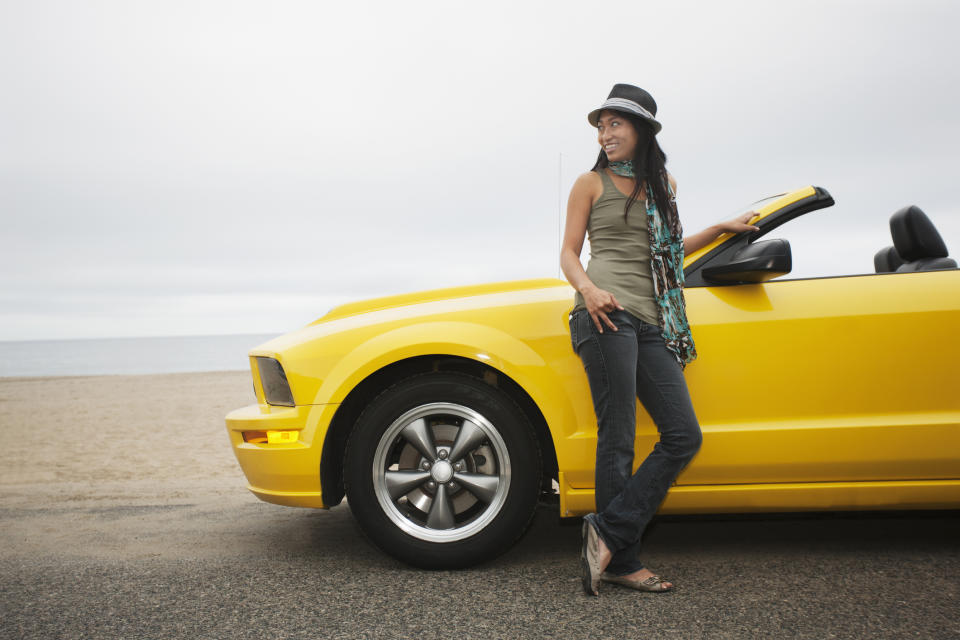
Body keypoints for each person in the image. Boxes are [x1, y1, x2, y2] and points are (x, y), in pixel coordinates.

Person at [560, 84, 759, 596]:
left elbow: (669, 251)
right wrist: (589, 291)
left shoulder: (663, 184)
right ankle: (623, 561)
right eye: (601, 126)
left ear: (641, 130)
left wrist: (718, 229)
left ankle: (607, 531)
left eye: (615, 124)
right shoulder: (590, 183)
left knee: (682, 434)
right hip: (605, 316)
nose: (605, 134)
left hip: (653, 324)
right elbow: (568, 254)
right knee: (619, 436)